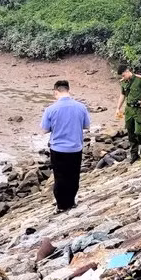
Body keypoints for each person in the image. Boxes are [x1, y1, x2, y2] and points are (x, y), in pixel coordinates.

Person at [41, 80, 91, 213]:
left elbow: (45, 130)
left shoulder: (50, 109)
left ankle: (61, 205)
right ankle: (71, 201)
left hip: (58, 148)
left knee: (60, 177)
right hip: (75, 147)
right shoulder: (81, 107)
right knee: (73, 176)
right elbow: (86, 126)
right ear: (68, 90)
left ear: (55, 92)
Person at [114, 65, 141, 163]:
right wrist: (118, 108)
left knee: (138, 131)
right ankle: (134, 154)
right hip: (129, 109)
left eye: (123, 75)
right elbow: (122, 95)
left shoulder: (139, 80)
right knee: (130, 133)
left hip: (138, 109)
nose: (122, 77)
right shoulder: (124, 83)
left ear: (127, 71)